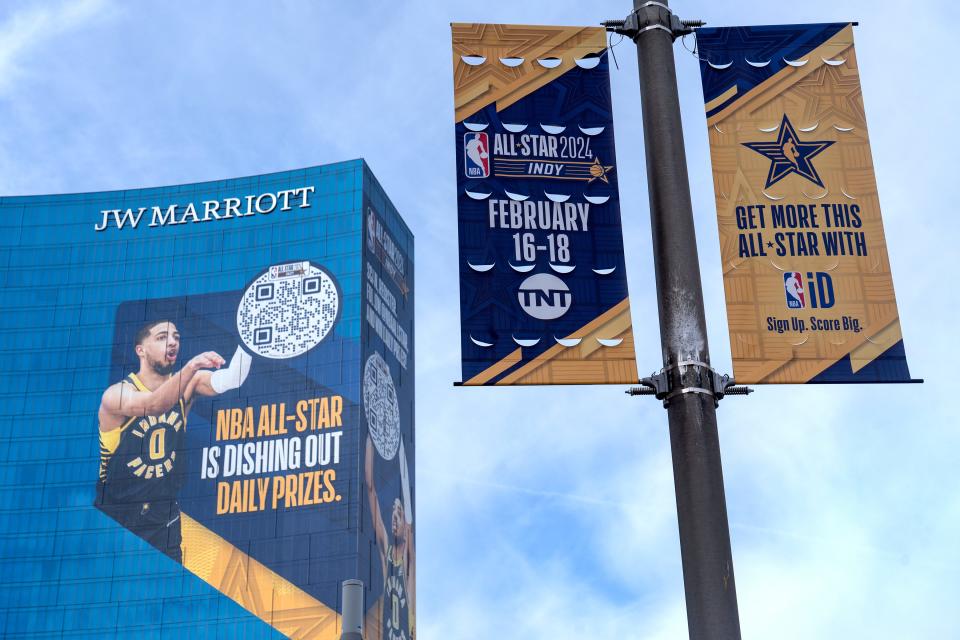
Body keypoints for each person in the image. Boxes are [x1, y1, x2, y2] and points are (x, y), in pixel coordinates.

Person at [95, 319, 250, 562]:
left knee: (165, 594)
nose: (172, 342)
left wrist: (250, 341)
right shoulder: (117, 394)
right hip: (118, 516)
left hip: (162, 518)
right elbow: (154, 405)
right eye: (161, 337)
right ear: (141, 350)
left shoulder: (190, 383)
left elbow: (233, 378)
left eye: (176, 337)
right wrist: (191, 366)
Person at [366, 434, 416, 640]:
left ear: (405, 523)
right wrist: (371, 434)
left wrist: (401, 449)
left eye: (399, 512)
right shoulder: (387, 552)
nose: (394, 516)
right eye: (393, 511)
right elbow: (369, 486)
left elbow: (411, 528)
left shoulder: (408, 564)